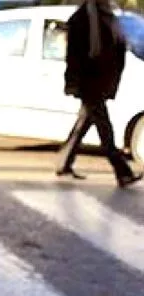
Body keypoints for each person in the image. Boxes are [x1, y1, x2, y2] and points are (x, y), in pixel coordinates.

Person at [56, 0, 142, 187]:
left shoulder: (106, 18)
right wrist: (73, 83)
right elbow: (74, 56)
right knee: (105, 129)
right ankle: (122, 172)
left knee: (83, 123)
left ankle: (63, 163)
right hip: (89, 84)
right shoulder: (83, 20)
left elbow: (117, 50)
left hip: (101, 83)